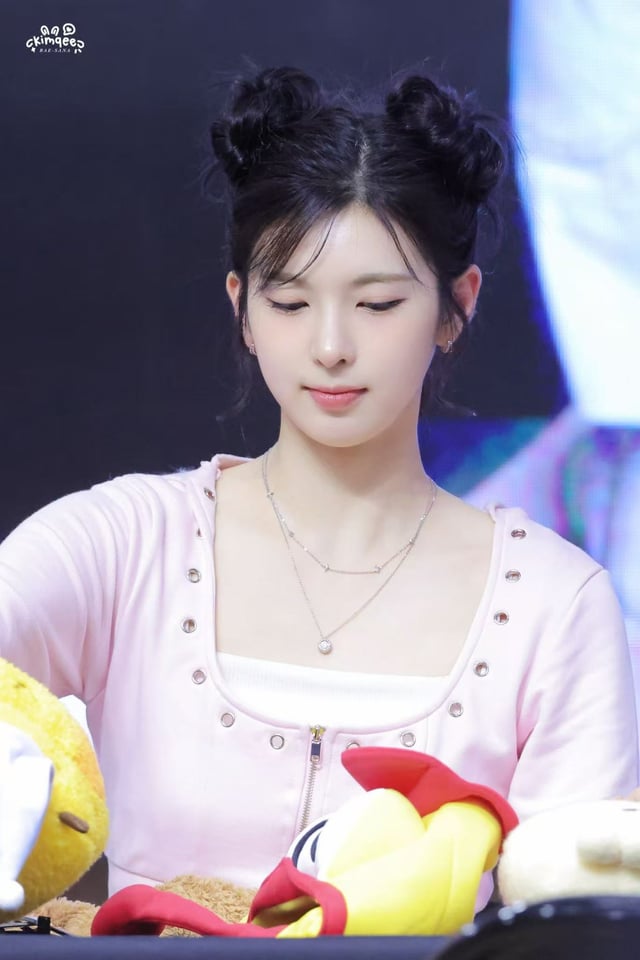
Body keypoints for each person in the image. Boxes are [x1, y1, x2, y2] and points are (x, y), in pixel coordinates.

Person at [0, 67, 636, 908]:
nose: (330, 346)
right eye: (291, 302)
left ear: (457, 306)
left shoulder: (556, 607)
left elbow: (579, 920)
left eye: (378, 305)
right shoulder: (120, 545)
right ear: (242, 307)